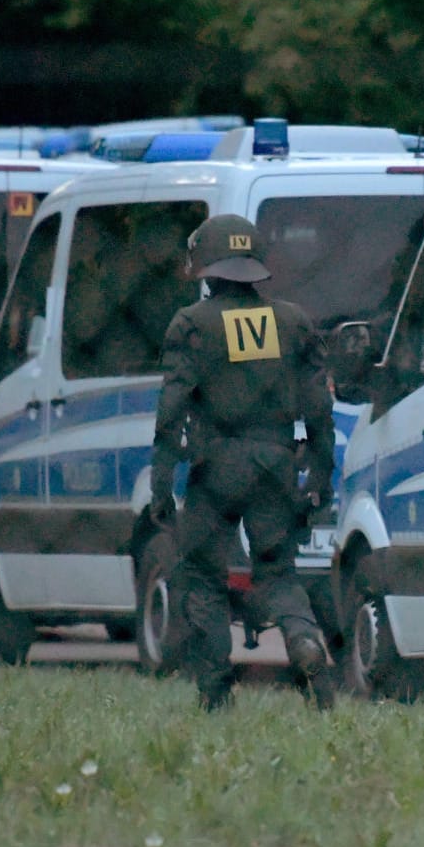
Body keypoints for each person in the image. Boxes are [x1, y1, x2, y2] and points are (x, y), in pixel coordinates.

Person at [150, 214, 337, 711]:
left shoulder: (192, 324)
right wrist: (321, 474)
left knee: (203, 576)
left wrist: (161, 484)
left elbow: (171, 412)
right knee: (278, 573)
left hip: (214, 466)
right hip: (276, 462)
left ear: (207, 268)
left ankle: (215, 689)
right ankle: (303, 641)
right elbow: (320, 407)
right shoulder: (294, 320)